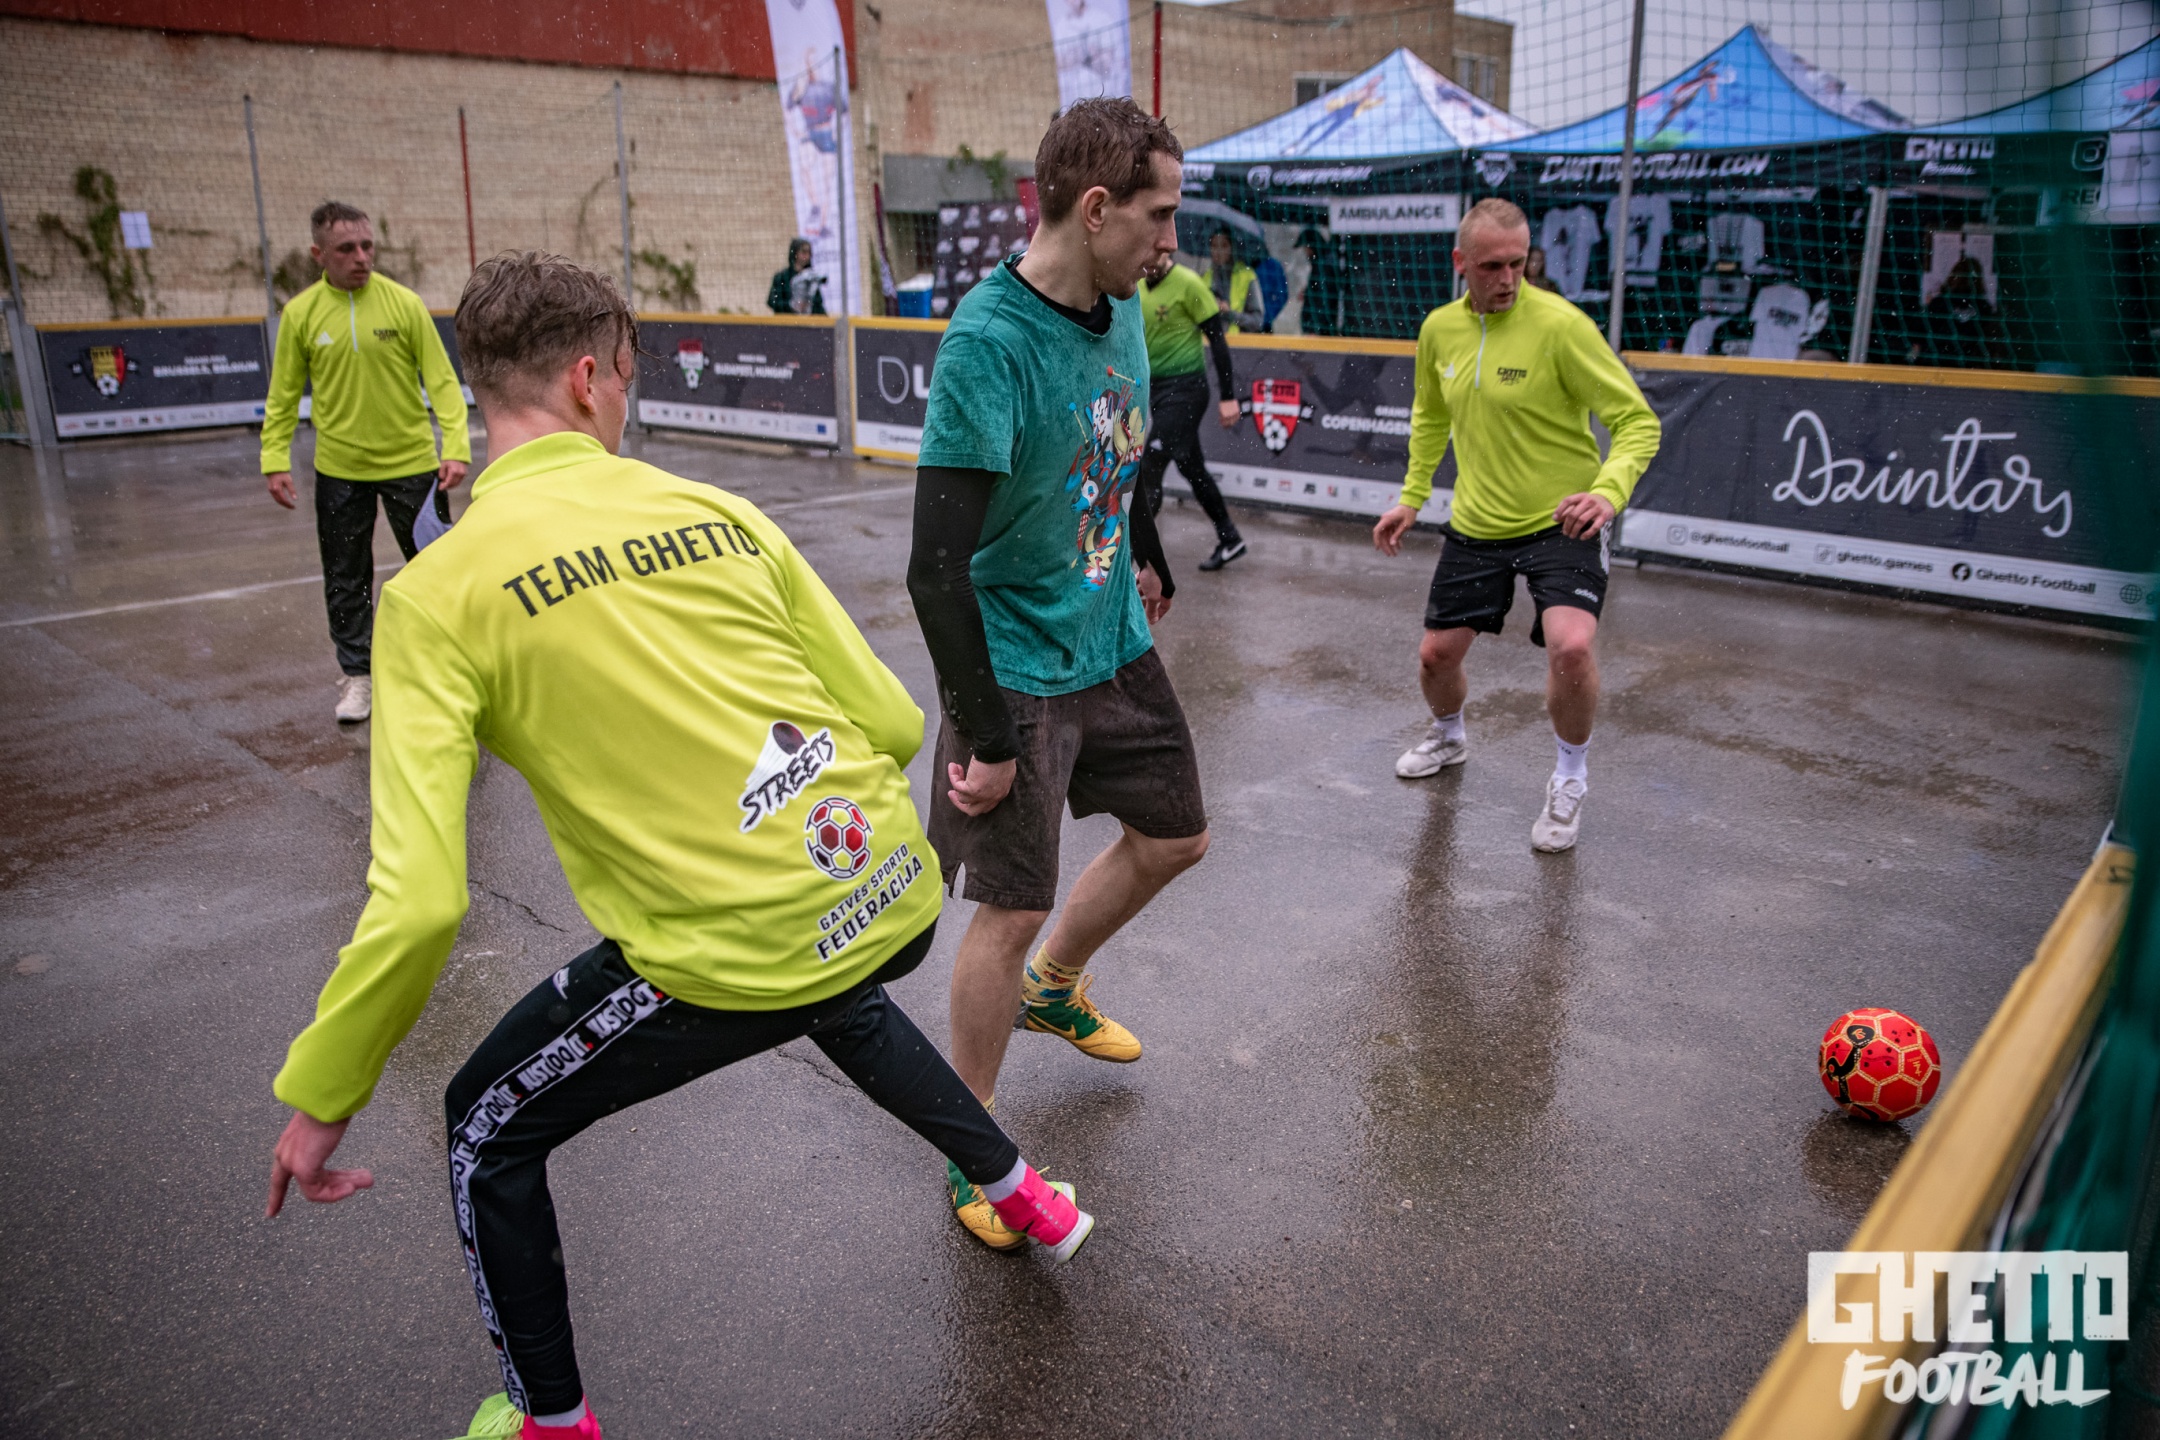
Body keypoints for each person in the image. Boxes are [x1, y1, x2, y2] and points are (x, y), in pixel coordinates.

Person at [263, 252, 1094, 1440]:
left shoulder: (434, 595)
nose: (626, 401)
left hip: (738, 946)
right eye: (628, 377)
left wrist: (322, 1095)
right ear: (589, 378)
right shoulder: (717, 512)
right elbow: (895, 721)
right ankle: (1022, 1193)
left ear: (484, 387)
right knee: (829, 988)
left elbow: (422, 902)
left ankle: (549, 1423)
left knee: (485, 1127)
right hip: (887, 893)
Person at [905, 97, 1209, 1251]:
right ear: (1095, 209)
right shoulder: (988, 345)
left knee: (1176, 837)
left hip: (1111, 633)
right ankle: (973, 1149)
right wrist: (984, 737)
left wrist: (1142, 553)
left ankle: (1055, 986)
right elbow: (936, 570)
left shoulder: (1123, 304)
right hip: (1017, 661)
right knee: (1010, 905)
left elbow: (1112, 456)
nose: (1171, 241)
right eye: (1159, 215)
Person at [1371, 198, 1661, 853]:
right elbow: (1431, 417)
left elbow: (1637, 422)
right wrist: (1412, 498)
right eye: (1491, 266)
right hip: (1478, 521)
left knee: (1572, 648)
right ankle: (1449, 737)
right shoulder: (1439, 330)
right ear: (1460, 262)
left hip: (1563, 519)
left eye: (1518, 263)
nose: (1507, 279)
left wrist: (1608, 493)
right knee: (1436, 657)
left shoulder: (1561, 326)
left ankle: (1570, 777)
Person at [262, 200, 470, 724]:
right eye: (346, 248)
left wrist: (455, 446)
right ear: (318, 255)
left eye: (367, 246)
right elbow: (283, 394)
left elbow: (442, 381)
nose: (361, 257)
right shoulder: (301, 314)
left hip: (413, 466)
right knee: (345, 577)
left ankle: (451, 670)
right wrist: (274, 458)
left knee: (436, 571)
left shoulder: (404, 304)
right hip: (340, 471)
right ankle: (359, 676)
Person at [1136, 250, 1247, 570]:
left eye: (1157, 254)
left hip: (1186, 390)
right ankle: (1230, 538)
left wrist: (1228, 396)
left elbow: (1218, 340)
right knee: (1192, 467)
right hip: (1157, 390)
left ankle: (1135, 555)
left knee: (1151, 465)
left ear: (1168, 252)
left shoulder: (1189, 283)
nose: (1151, 261)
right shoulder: (1136, 283)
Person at [1206, 228, 1264, 333]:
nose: (1218, 251)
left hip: (1239, 341)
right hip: (1209, 340)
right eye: (1214, 246)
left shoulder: (1247, 276)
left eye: (1224, 246)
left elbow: (1257, 322)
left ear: (1232, 248)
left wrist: (1229, 314)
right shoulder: (1204, 278)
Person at [1294, 226, 1340, 336]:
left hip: (1320, 332)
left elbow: (1323, 299)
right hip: (1323, 329)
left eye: (1306, 248)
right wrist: (1309, 291)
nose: (1305, 252)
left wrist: (1314, 328)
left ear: (1311, 246)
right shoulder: (1325, 262)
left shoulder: (1323, 266)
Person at [767, 237, 826, 315]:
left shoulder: (811, 278)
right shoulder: (782, 277)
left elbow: (818, 304)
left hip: (808, 321)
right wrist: (792, 305)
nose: (807, 256)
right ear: (795, 253)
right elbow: (772, 302)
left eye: (809, 253)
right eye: (804, 252)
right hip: (787, 320)